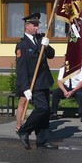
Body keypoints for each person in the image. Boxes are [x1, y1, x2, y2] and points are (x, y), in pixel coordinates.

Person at [15, 13, 57, 150]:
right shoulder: (22, 44)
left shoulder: (40, 38)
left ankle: (42, 140)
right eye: (33, 24)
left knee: (46, 111)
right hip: (33, 82)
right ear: (27, 26)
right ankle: (24, 130)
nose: (36, 27)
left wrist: (48, 45)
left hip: (44, 80)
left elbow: (51, 55)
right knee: (42, 108)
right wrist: (25, 88)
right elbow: (21, 69)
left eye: (37, 24)